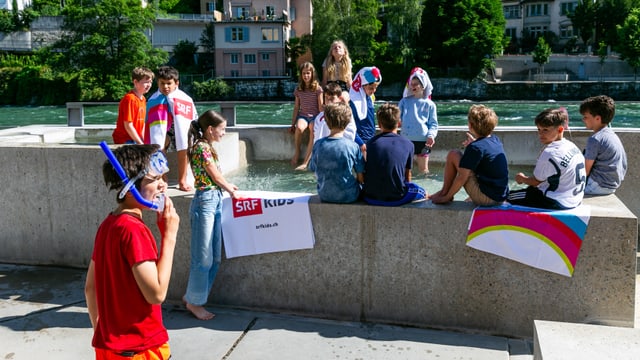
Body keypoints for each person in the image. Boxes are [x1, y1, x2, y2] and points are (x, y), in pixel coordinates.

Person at [85, 144, 179, 359]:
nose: (163, 185)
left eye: (164, 177)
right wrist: (169, 236)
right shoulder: (134, 230)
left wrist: (102, 331)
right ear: (130, 187)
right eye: (154, 179)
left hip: (109, 348)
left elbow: (90, 288)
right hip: (141, 349)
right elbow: (156, 294)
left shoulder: (109, 224)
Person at [183, 109, 240, 320]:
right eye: (222, 129)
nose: (224, 133)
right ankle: (194, 302)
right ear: (210, 129)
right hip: (205, 201)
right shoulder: (201, 148)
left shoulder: (207, 147)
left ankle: (193, 297)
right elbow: (215, 175)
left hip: (214, 199)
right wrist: (230, 189)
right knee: (203, 257)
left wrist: (226, 187)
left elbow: (216, 176)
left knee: (214, 257)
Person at [430, 105, 509, 206]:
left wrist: (447, 197)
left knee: (453, 154)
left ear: (470, 125)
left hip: (488, 199)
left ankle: (445, 193)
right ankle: (445, 193)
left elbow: (462, 177)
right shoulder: (495, 140)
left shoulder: (475, 147)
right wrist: (475, 143)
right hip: (500, 196)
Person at [507, 108, 586, 209]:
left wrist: (522, 178)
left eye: (545, 130)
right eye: (538, 129)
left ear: (560, 129)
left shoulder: (550, 153)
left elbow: (536, 182)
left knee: (504, 196)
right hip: (575, 199)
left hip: (556, 201)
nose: (540, 134)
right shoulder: (572, 146)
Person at [145, 66, 198, 192]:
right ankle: (162, 177)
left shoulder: (185, 99)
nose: (166, 87)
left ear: (176, 83)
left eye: (169, 83)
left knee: (184, 143)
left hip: (182, 131)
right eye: (162, 83)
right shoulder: (153, 100)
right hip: (165, 133)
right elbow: (150, 127)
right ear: (157, 82)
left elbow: (193, 119)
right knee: (159, 143)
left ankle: (182, 180)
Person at [362, 103, 426, 206]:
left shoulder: (369, 143)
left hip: (370, 196)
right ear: (399, 123)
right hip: (396, 198)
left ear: (379, 123)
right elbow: (407, 174)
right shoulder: (408, 144)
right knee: (422, 191)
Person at [309, 102, 364, 203]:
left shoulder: (318, 144)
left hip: (324, 195)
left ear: (326, 120)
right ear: (348, 122)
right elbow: (361, 177)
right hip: (349, 195)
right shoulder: (353, 146)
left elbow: (313, 169)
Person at [579, 95, 627, 195]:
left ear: (597, 118)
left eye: (586, 117)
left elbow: (584, 172)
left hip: (597, 186)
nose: (583, 120)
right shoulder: (611, 135)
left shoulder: (595, 139)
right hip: (611, 185)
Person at [398, 67, 438, 175]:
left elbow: (433, 124)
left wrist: (431, 135)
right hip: (405, 140)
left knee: (424, 170)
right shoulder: (404, 102)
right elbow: (397, 117)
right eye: (412, 83)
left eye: (416, 84)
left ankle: (426, 189)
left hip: (423, 141)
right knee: (404, 170)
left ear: (423, 86)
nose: (413, 86)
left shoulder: (430, 104)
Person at [290, 62, 323, 170]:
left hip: (315, 116)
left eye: (308, 73)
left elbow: (321, 107)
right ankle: (297, 151)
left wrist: (323, 121)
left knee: (313, 128)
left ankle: (306, 161)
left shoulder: (318, 89)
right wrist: (292, 124)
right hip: (303, 116)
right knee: (299, 128)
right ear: (301, 75)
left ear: (312, 74)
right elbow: (296, 108)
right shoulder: (299, 89)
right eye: (304, 73)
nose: (306, 76)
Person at [112, 67, 154, 144]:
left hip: (135, 138)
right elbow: (128, 125)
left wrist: (145, 142)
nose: (149, 85)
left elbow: (141, 124)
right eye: (146, 82)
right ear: (135, 82)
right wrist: (140, 143)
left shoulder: (143, 99)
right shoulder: (130, 98)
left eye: (150, 82)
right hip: (125, 139)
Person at [349, 66, 382, 159]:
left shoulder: (369, 98)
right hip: (360, 142)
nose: (374, 91)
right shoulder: (354, 102)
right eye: (371, 88)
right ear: (362, 85)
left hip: (369, 139)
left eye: (376, 88)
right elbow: (350, 126)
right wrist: (360, 142)